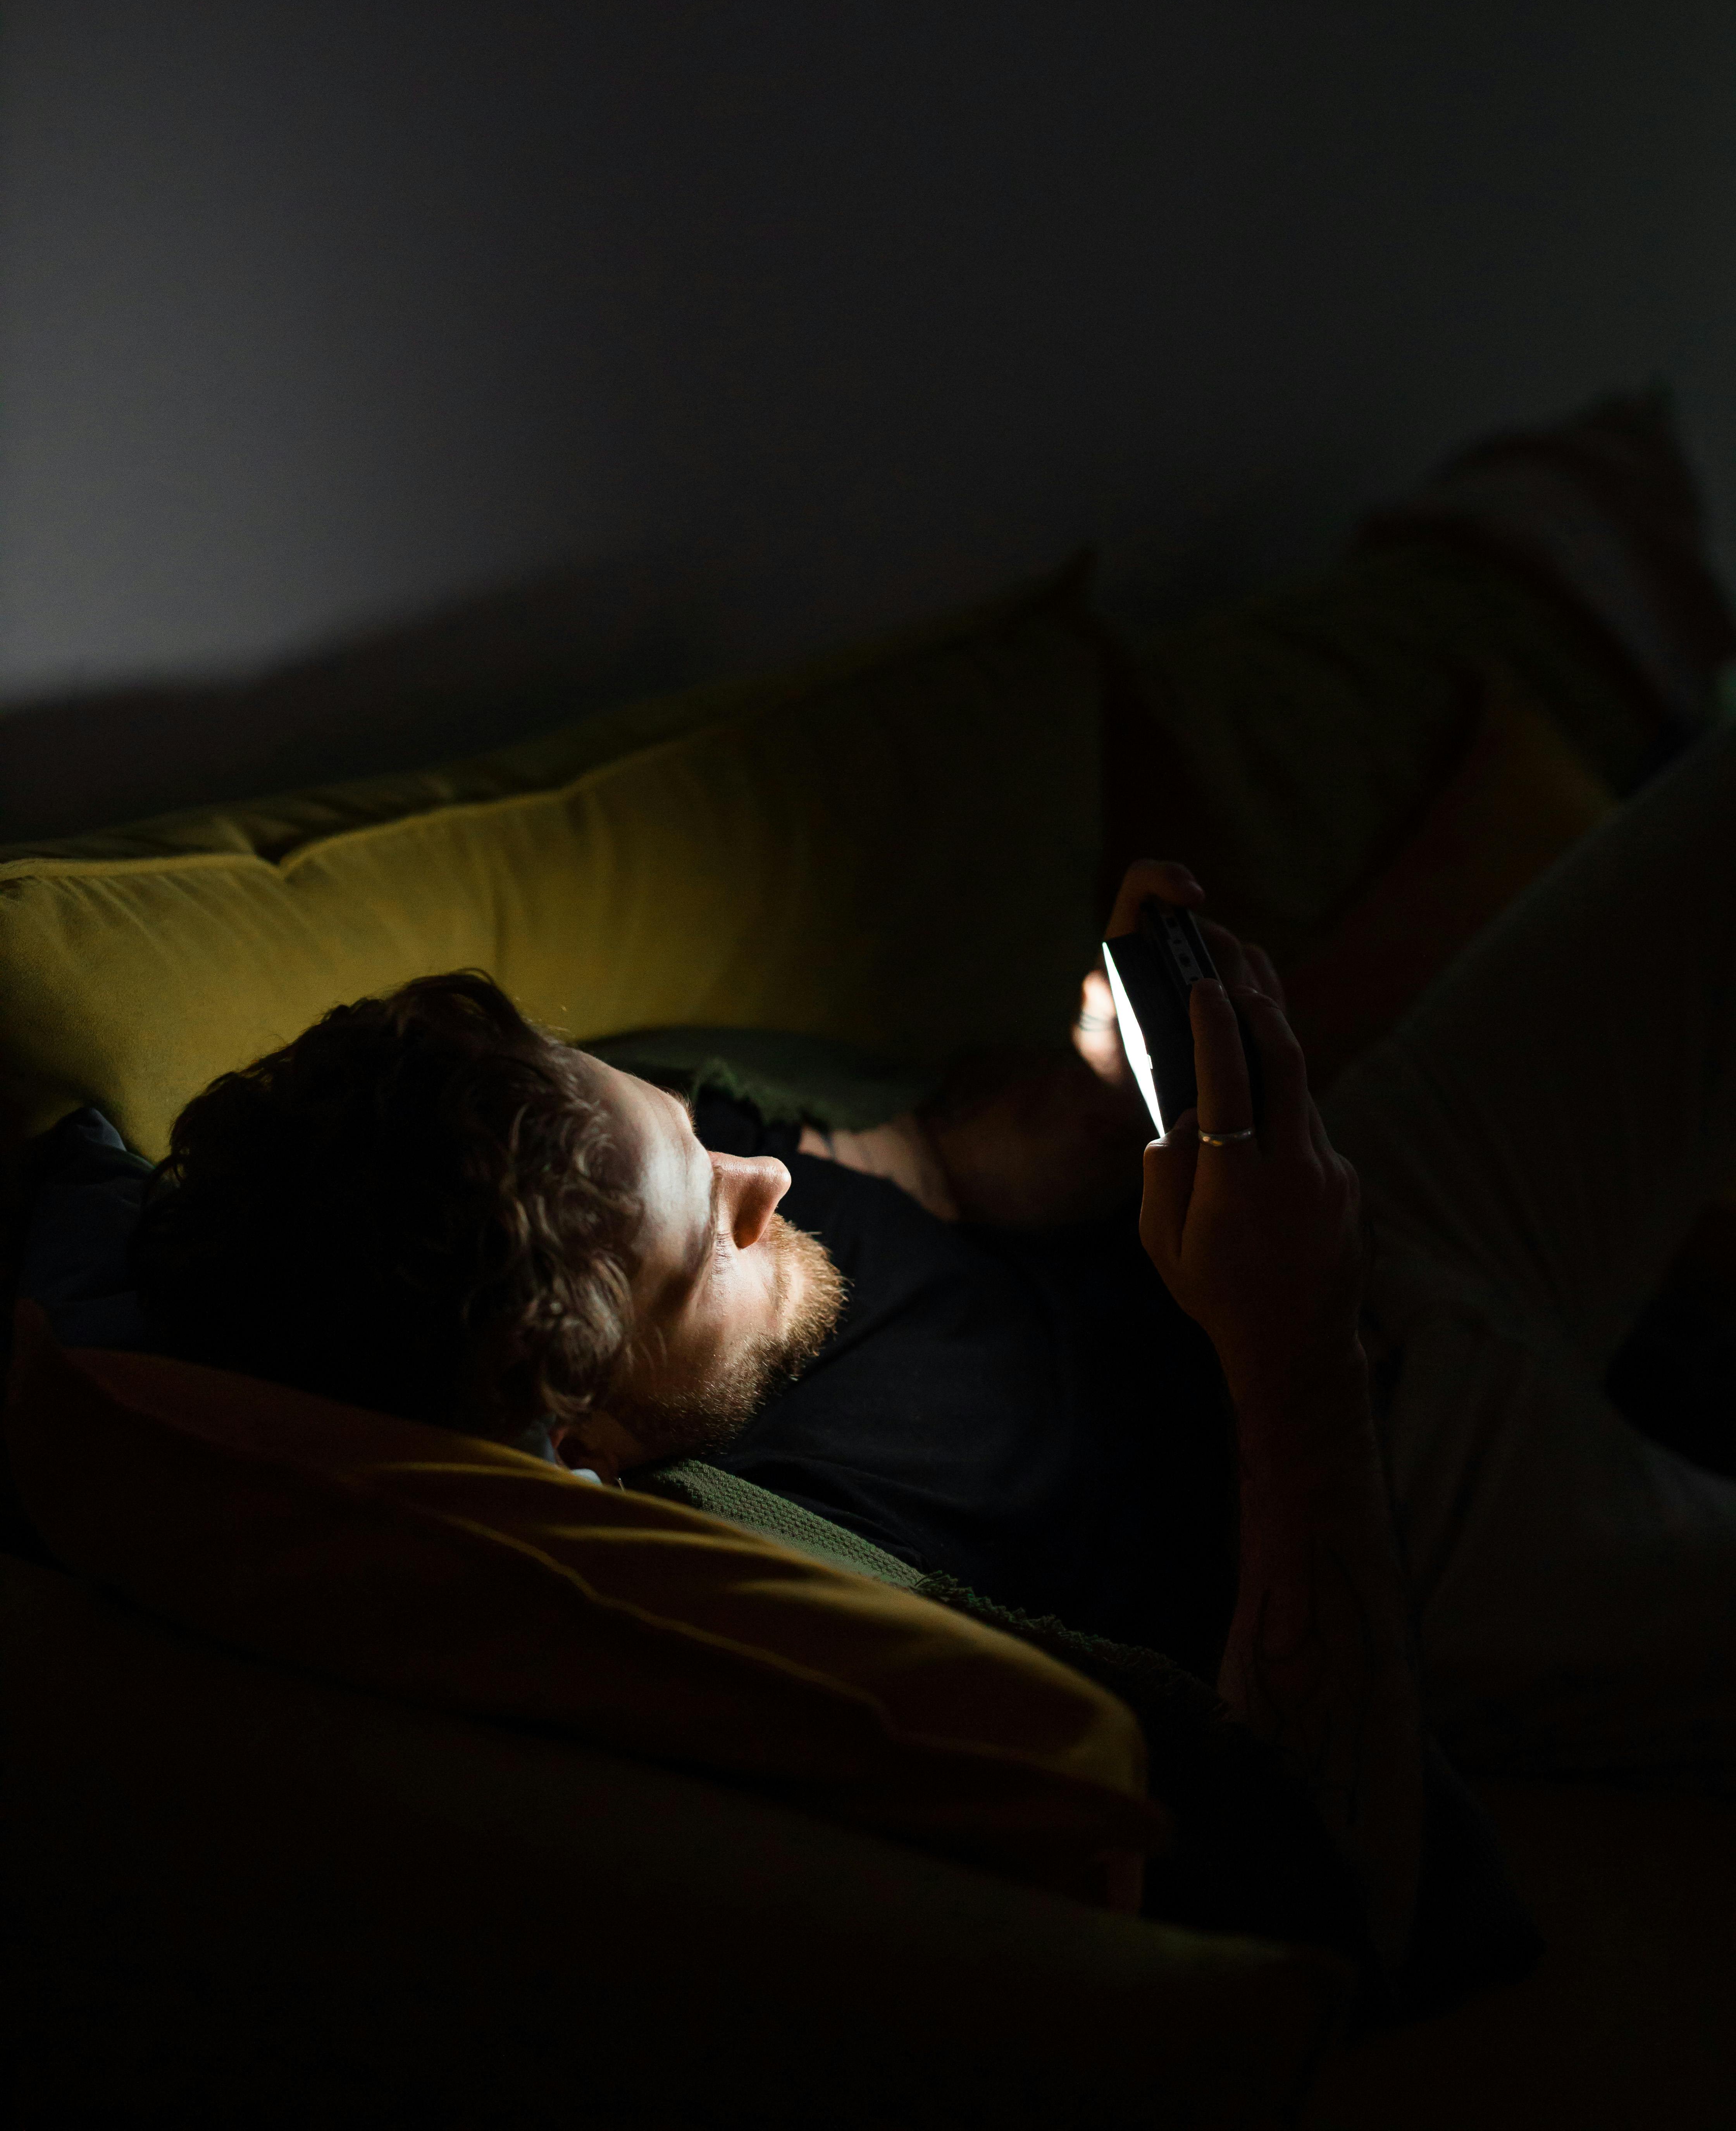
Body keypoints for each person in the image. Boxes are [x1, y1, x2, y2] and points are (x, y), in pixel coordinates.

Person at [129, 721, 1736, 1994]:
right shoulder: (792, 1588)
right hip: (1411, 1518)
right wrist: (1285, 1337)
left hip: (1379, 1203)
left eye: (698, 1136)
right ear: (581, 1443)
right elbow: (1316, 1876)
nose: (760, 1181)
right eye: (716, 1245)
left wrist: (1106, 1079)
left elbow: (944, 1169)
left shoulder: (617, 1172)